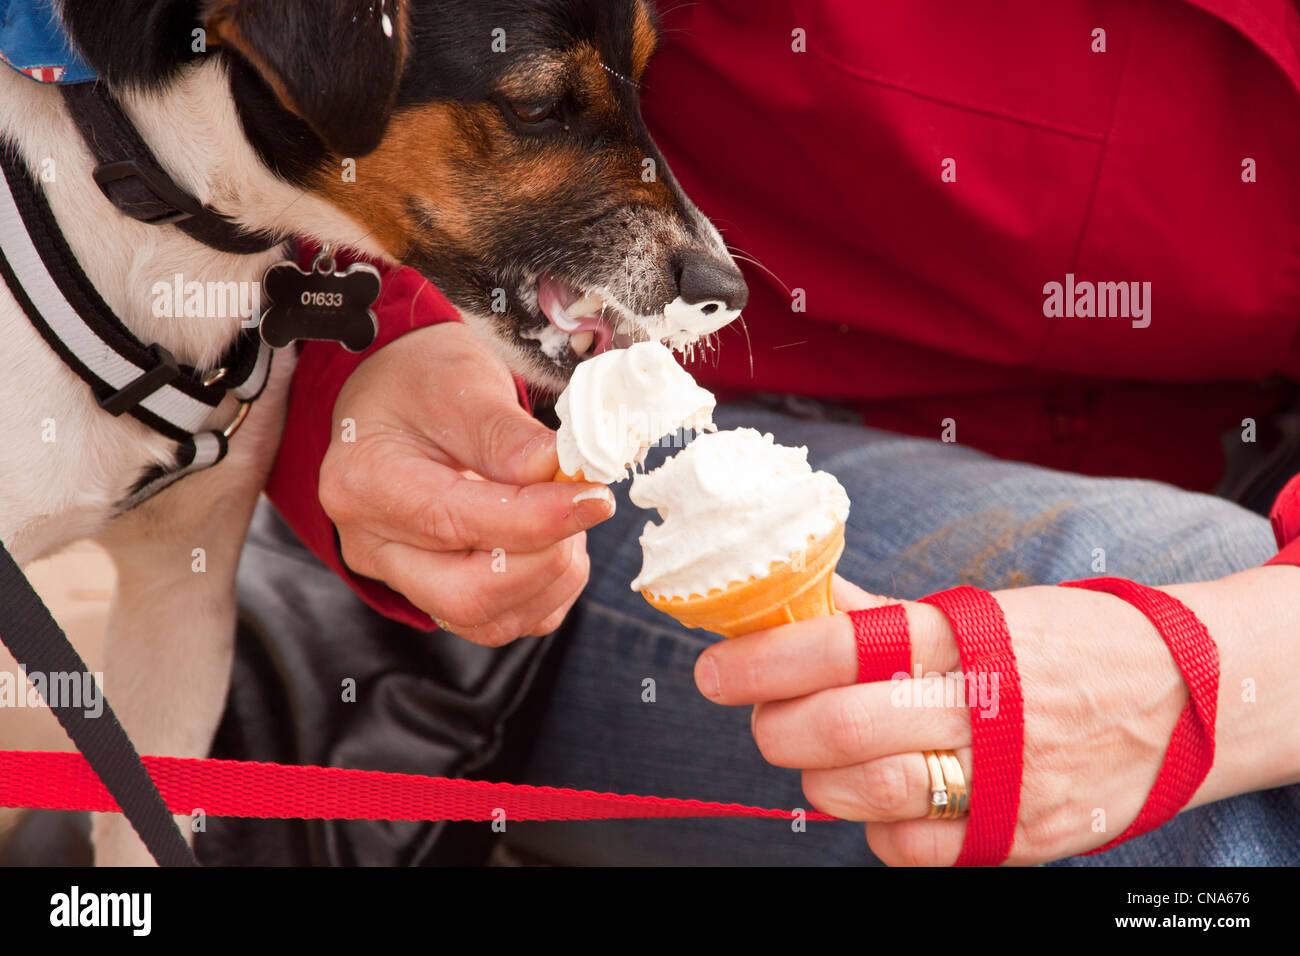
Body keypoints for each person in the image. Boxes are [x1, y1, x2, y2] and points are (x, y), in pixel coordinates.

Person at [217, 1, 1300, 865]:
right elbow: (317, 73)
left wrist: (1217, 676)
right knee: (1185, 744)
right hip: (649, 440)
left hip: (1227, 500)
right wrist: (372, 356)